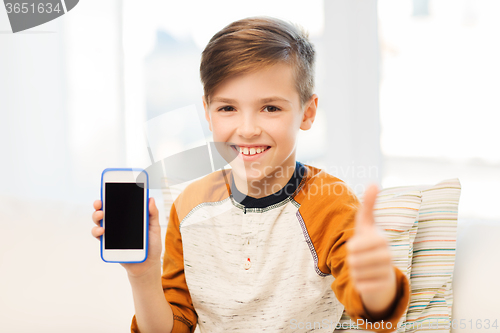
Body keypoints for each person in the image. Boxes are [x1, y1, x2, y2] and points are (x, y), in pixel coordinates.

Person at [91, 16, 410, 333]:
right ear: (207, 112)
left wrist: (376, 284)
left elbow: (376, 318)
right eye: (227, 108)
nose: (247, 129)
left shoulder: (329, 204)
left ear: (307, 112)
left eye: (270, 108)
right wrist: (143, 277)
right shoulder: (189, 207)